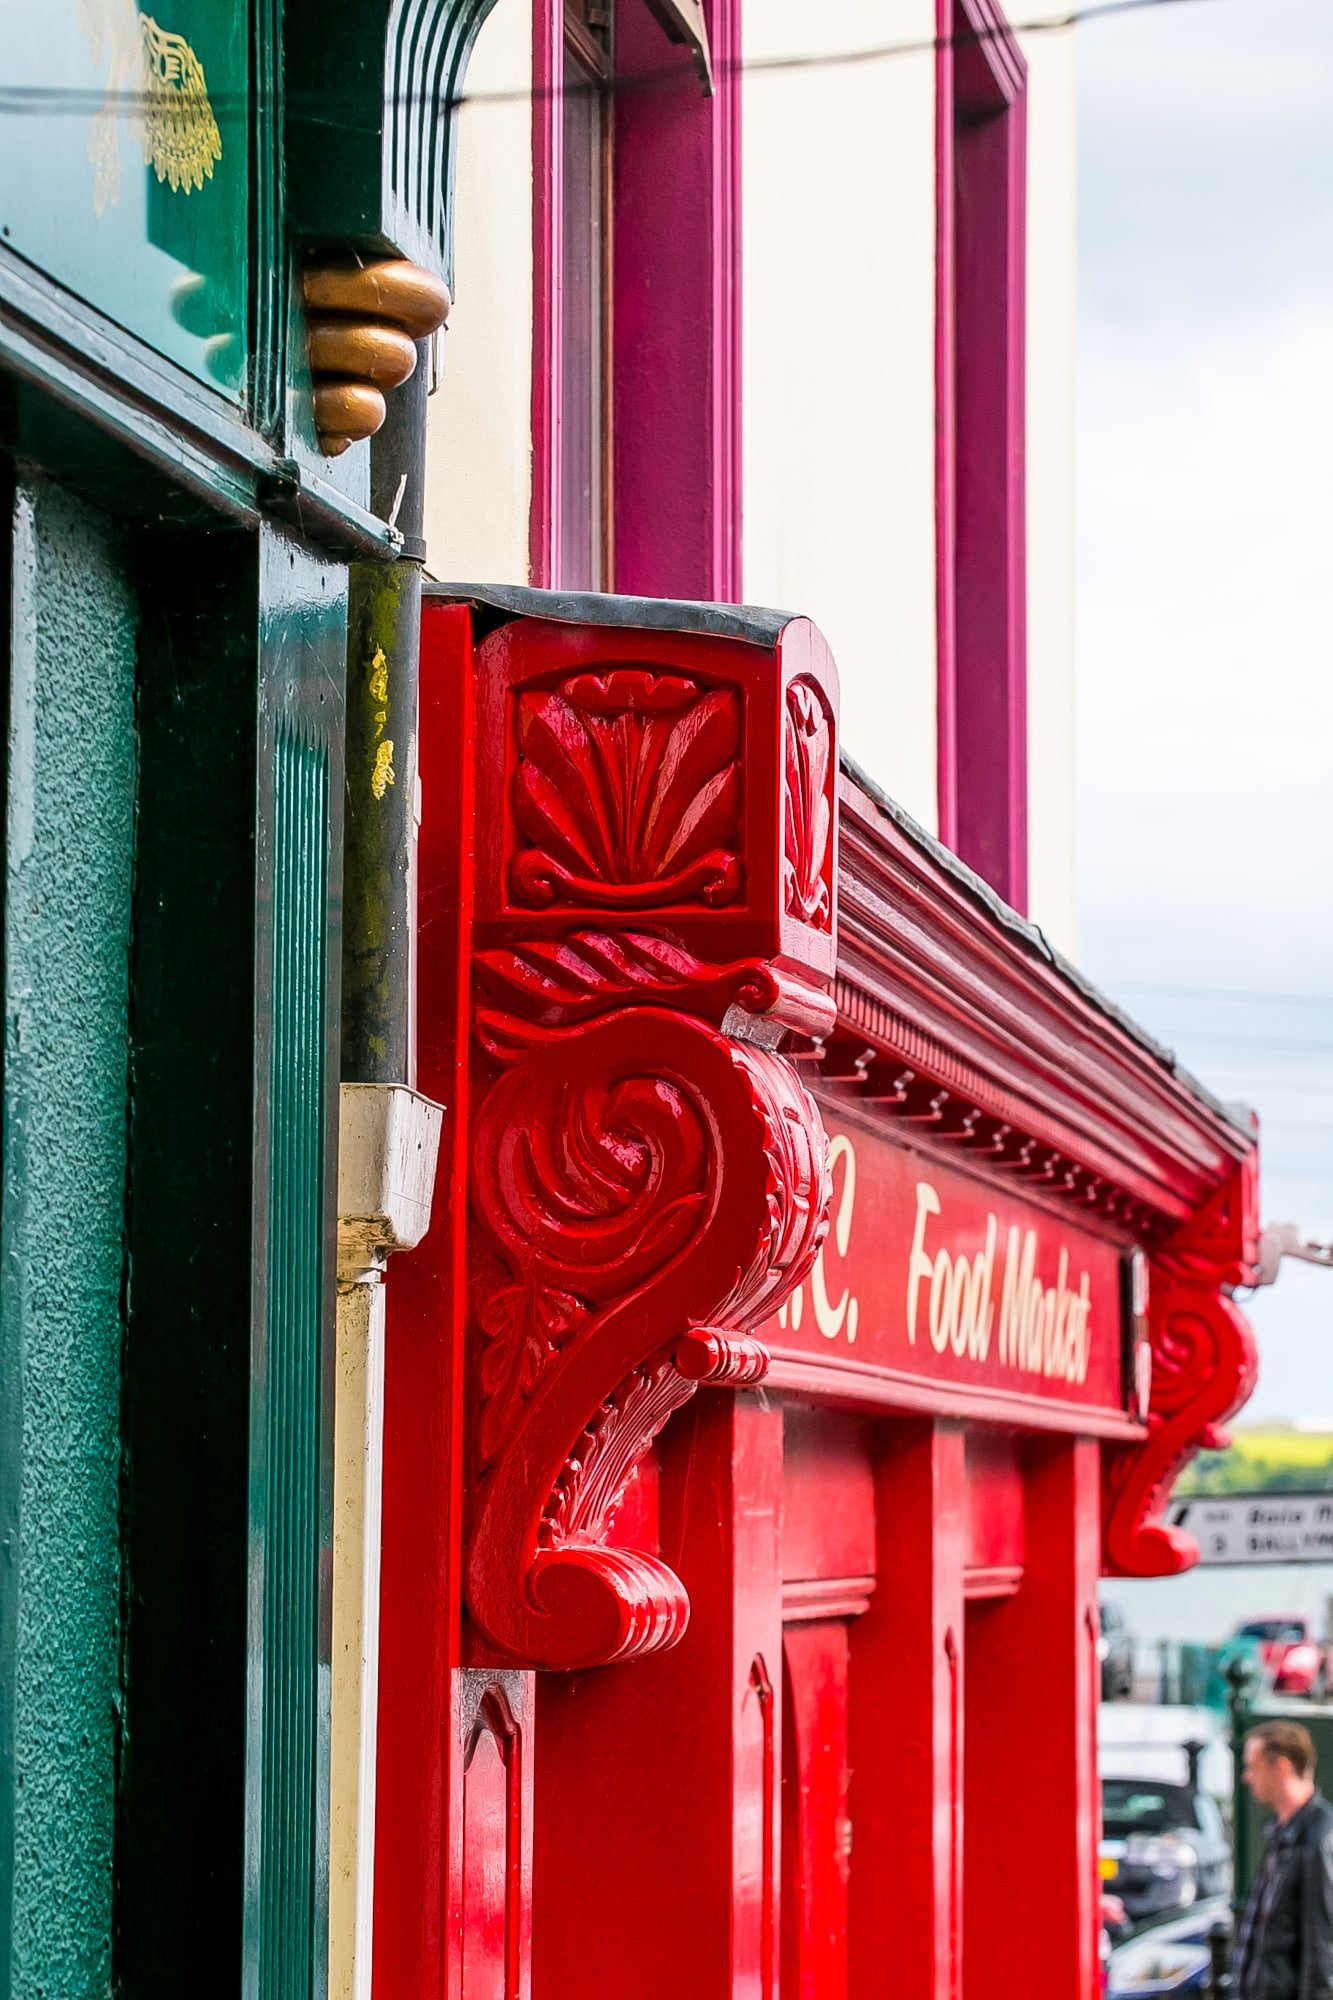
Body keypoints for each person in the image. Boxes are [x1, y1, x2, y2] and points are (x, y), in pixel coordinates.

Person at [1233, 1720, 1333, 1998]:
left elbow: (1321, 1946)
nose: (1247, 1777)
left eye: (1253, 1766)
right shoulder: (1283, 1833)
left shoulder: (1320, 1838)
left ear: (1281, 1767)